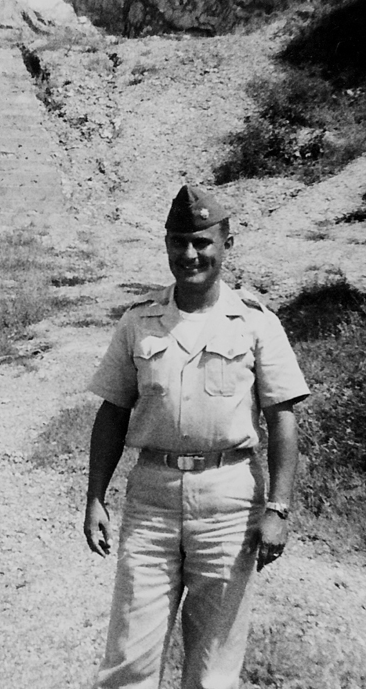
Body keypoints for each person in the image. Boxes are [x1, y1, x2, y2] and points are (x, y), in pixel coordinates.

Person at [83, 185, 310, 689]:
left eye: (202, 242)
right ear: (166, 244)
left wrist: (278, 508)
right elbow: (113, 410)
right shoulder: (138, 321)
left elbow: (283, 418)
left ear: (226, 244)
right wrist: (96, 496)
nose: (190, 254)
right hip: (152, 497)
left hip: (229, 500)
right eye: (179, 242)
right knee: (129, 659)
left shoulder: (255, 322)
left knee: (213, 667)